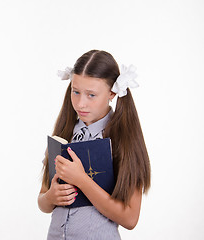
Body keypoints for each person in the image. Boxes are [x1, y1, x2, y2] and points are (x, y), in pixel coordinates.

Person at [38, 50, 151, 239]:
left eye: (91, 95)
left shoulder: (123, 140)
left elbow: (130, 219)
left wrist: (82, 180)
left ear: (112, 93)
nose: (81, 103)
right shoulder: (64, 134)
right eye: (76, 92)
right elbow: (42, 201)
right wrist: (51, 197)